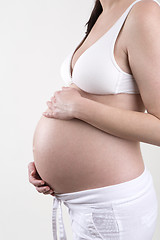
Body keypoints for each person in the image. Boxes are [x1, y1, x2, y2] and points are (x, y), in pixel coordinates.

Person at [28, 0, 160, 239]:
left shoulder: (143, 12)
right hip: (85, 205)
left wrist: (81, 108)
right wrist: (47, 169)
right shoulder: (103, 14)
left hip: (113, 208)